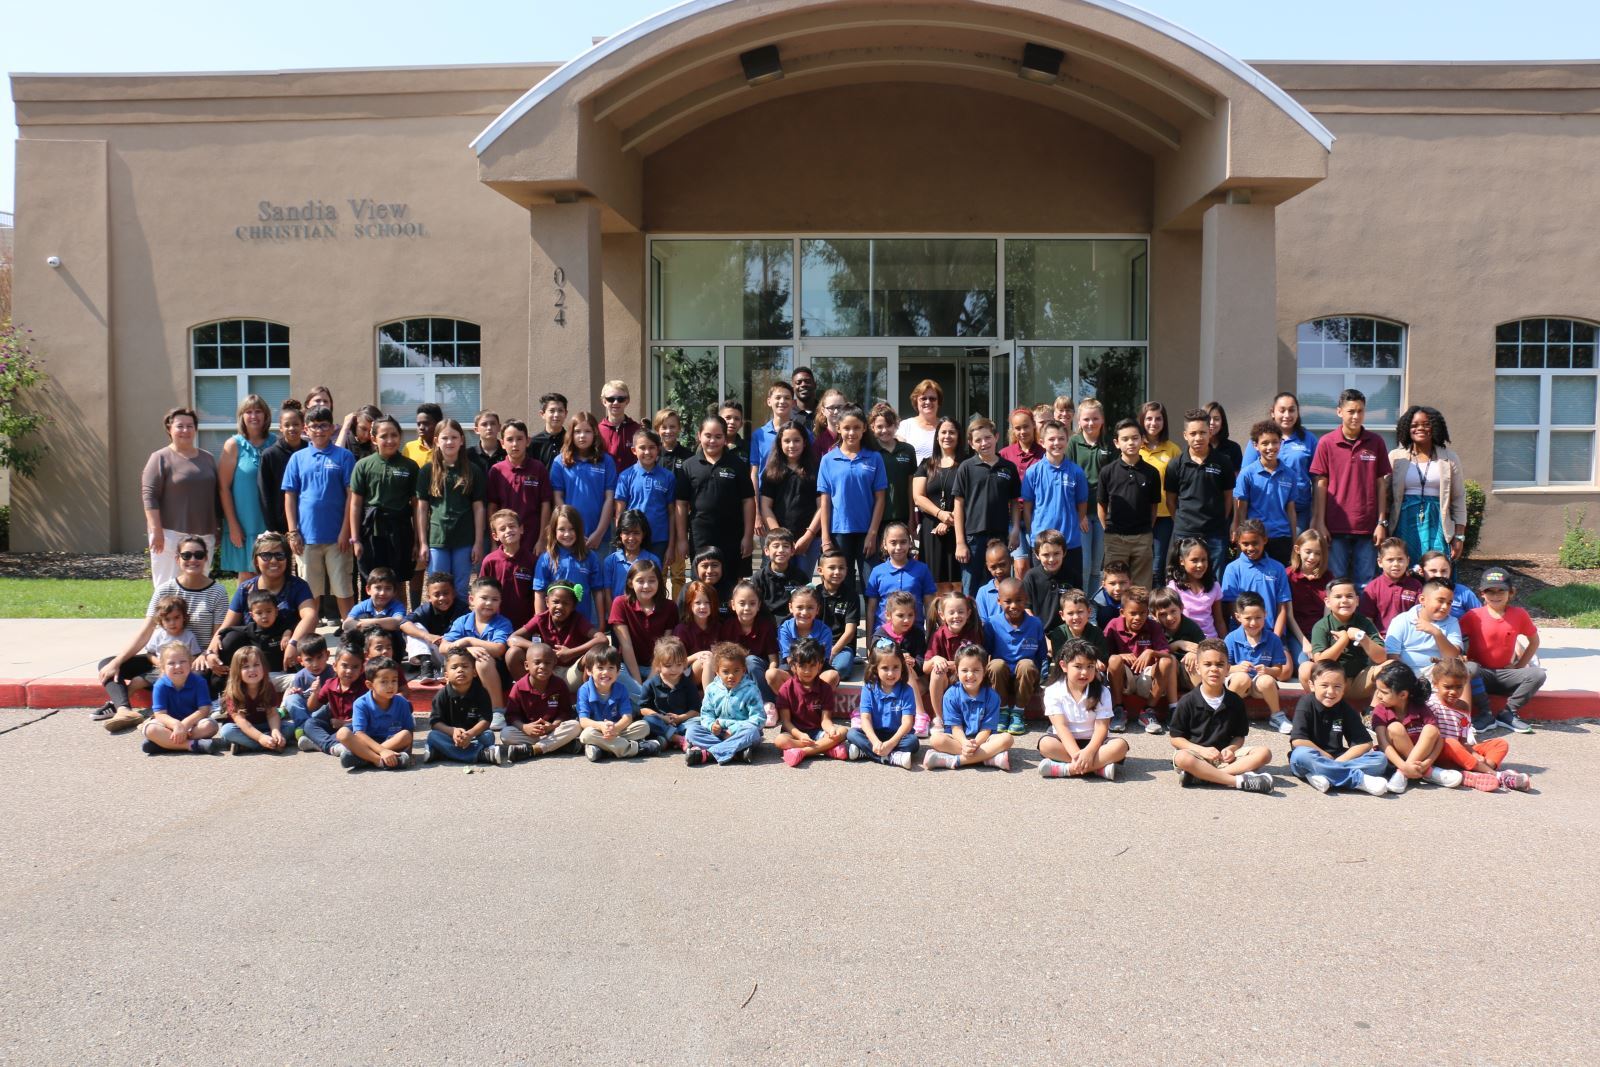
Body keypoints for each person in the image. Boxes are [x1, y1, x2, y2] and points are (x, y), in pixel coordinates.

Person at [97, 539, 231, 731]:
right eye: (186, 555)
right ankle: (124, 710)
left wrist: (205, 654)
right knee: (107, 664)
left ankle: (167, 708)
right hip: (161, 659)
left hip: (194, 660)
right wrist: (117, 662)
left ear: (206, 558)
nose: (193, 559)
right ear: (177, 559)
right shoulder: (165, 589)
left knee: (197, 673)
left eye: (198, 555)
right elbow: (146, 631)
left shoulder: (217, 592)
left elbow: (218, 633)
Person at [1310, 388, 1393, 588]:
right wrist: (1320, 522)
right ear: (1339, 412)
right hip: (1334, 526)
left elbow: (1381, 484)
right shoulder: (1326, 443)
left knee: (1364, 583)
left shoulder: (1376, 442)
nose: (1356, 416)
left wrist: (1382, 522)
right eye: (1351, 411)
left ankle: (1362, 620)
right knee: (1335, 582)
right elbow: (1321, 483)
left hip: (1367, 527)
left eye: (1360, 411)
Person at [1167, 639, 1275, 792]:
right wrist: (1201, 750)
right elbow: (1176, 739)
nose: (1214, 669)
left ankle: (1205, 777)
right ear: (1197, 667)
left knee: (1264, 753)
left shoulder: (1235, 701)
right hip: (1197, 756)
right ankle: (1238, 781)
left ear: (1228, 669)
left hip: (1226, 759)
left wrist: (1231, 749)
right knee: (1181, 758)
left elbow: (1239, 736)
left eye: (1219, 664)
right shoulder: (1188, 701)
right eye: (1207, 664)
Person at [282, 405, 358, 618]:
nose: (319, 431)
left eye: (324, 425)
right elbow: (289, 496)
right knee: (309, 592)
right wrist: (292, 532)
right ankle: (309, 637)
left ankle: (350, 632)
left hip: (337, 538)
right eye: (314, 426)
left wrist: (346, 531)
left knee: (343, 589)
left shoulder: (344, 457)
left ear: (332, 427)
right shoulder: (298, 458)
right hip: (307, 538)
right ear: (306, 429)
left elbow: (351, 497)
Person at [208, 532, 319, 673]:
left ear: (287, 559)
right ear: (256, 561)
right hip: (253, 654)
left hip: (285, 649)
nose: (273, 561)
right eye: (266, 556)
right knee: (228, 640)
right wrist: (210, 653)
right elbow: (226, 626)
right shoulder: (246, 589)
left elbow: (311, 616)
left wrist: (293, 643)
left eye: (279, 555)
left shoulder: (298, 586)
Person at [674, 414, 756, 599]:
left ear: (725, 438)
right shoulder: (688, 466)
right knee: (702, 584)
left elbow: (748, 501)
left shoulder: (737, 464)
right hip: (700, 536)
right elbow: (681, 504)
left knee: (731, 584)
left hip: (732, 536)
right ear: (699, 435)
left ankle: (728, 624)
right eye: (708, 435)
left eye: (718, 436)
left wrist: (748, 536)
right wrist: (682, 539)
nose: (712, 440)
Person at [1460, 566, 1545, 735]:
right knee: (1469, 668)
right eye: (1490, 591)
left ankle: (1507, 713)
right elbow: (1456, 638)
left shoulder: (1519, 614)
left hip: (1506, 675)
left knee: (1538, 674)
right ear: (1482, 593)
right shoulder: (1473, 615)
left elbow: (1534, 641)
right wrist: (1461, 655)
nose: (1496, 595)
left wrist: (1519, 665)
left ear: (1511, 593)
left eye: (1501, 591)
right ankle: (1486, 714)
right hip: (1480, 675)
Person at [1427, 657, 1533, 792]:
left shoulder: (1463, 708)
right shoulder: (1431, 704)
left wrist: (1474, 754)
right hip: (1440, 754)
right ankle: (1498, 776)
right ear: (1435, 684)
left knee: (1500, 744)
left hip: (1460, 750)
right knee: (1450, 743)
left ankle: (1474, 771)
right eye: (1447, 687)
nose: (1453, 692)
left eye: (1459, 687)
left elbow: (1463, 740)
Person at [141, 406, 219, 587]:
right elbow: (149, 496)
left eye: (190, 426)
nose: (185, 430)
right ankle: (163, 617)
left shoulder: (207, 458)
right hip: (169, 536)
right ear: (169, 429)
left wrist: (217, 529)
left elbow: (215, 496)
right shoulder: (159, 458)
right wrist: (156, 531)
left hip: (204, 535)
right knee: (166, 588)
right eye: (180, 426)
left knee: (199, 585)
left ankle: (195, 617)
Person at [95, 594, 199, 728]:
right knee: (136, 682)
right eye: (167, 619)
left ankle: (158, 714)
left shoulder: (188, 636)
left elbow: (195, 656)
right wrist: (160, 664)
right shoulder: (159, 635)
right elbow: (150, 654)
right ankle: (121, 708)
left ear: (184, 617)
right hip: (159, 668)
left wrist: (182, 668)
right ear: (161, 620)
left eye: (176, 618)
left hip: (179, 671)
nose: (172, 623)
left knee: (161, 684)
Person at [1288, 661, 1392, 796]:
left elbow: (1364, 743)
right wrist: (1325, 756)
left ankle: (1322, 775)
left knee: (1380, 759)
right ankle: (1358, 780)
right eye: (1324, 685)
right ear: (1312, 685)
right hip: (1312, 757)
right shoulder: (1306, 702)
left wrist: (1339, 761)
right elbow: (1298, 740)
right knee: (1300, 755)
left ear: (1344, 688)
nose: (1331, 692)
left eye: (1337, 686)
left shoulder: (1344, 707)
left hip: (1337, 758)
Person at [818, 404, 888, 596]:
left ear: (865, 428)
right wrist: (825, 538)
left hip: (867, 532)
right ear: (838, 428)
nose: (851, 432)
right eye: (847, 428)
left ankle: (874, 626)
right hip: (839, 532)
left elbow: (880, 498)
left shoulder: (874, 458)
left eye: (856, 427)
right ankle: (847, 626)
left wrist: (873, 534)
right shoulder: (828, 460)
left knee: (872, 583)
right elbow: (825, 501)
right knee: (842, 585)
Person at [413, 418, 485, 601]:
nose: (450, 442)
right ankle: (438, 627)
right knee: (438, 589)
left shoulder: (473, 470)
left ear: (461, 440)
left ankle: (459, 627)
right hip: (437, 539)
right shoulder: (428, 471)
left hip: (464, 539)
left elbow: (478, 508)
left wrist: (477, 542)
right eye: (445, 438)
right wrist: (422, 542)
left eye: (454, 437)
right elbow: (421, 509)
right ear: (437, 441)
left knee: (461, 589)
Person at [347, 416, 420, 595]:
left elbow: (417, 506)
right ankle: (370, 621)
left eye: (394, 435)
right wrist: (355, 539)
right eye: (384, 436)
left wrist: (418, 541)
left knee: (398, 580)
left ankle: (397, 620)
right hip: (371, 531)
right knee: (371, 579)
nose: (389, 440)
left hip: (400, 531)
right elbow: (355, 505)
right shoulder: (363, 465)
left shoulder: (409, 466)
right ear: (374, 439)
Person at [1389, 405, 1468, 566]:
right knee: (1404, 567)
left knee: (1437, 568)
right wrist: (1382, 524)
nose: (1420, 428)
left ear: (1435, 427)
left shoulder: (1450, 458)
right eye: (1414, 425)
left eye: (1426, 424)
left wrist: (1459, 536)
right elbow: (1384, 496)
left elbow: (1458, 498)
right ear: (1407, 428)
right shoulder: (1396, 457)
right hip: (1403, 522)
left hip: (1438, 522)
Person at [1038, 638, 1127, 780]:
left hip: (1094, 743)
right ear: (1064, 666)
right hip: (1064, 742)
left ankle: (1066, 769)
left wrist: (1089, 752)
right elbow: (1061, 727)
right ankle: (1097, 769)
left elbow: (1102, 728)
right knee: (1045, 744)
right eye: (1078, 667)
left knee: (1120, 746)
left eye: (1090, 666)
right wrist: (1076, 754)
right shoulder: (1053, 691)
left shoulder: (1103, 692)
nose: (1084, 672)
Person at [952, 416, 1022, 597]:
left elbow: (1014, 502)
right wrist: (960, 542)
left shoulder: (1008, 468)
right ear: (971, 444)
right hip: (973, 538)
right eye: (978, 440)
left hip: (1000, 536)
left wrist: (1014, 530)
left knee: (1002, 585)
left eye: (987, 437)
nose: (984, 443)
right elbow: (958, 505)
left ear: (996, 437)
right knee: (971, 588)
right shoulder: (966, 468)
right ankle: (972, 624)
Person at [1370, 661, 1462, 793]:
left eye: (1383, 692)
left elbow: (1438, 739)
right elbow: (1383, 744)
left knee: (1431, 729)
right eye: (1377, 690)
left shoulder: (1419, 707)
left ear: (1403, 695)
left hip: (1422, 762)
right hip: (1395, 761)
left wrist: (1427, 763)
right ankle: (1428, 773)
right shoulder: (1380, 710)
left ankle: (1403, 774)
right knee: (1395, 727)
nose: (1378, 696)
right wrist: (1403, 765)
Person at [1165, 407, 1235, 574]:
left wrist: (1219, 522)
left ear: (1210, 433)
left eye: (1203, 432)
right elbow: (1170, 501)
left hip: (1215, 534)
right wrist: (1183, 522)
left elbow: (1228, 498)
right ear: (1185, 435)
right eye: (1193, 433)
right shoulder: (1175, 465)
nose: (1198, 438)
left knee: (1215, 582)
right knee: (1183, 581)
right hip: (1184, 533)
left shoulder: (1223, 462)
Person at [923, 644, 1014, 770]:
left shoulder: (992, 696)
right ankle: (988, 758)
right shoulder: (951, 694)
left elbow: (986, 730)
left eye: (976, 670)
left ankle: (956, 760)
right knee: (936, 740)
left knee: (1007, 739)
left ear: (984, 670)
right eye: (964, 670)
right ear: (957, 670)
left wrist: (974, 744)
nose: (970, 675)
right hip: (958, 739)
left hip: (983, 740)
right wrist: (965, 743)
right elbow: (955, 728)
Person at [1021, 419, 1090, 586]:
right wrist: (1034, 534)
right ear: (1042, 442)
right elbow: (1027, 508)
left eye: (1061, 438)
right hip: (1042, 545)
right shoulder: (1033, 472)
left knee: (1072, 592)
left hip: (1070, 543)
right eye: (1051, 439)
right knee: (1042, 590)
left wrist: (1072, 526)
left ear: (1067, 440)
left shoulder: (1076, 472)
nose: (1056, 443)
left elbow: (1081, 506)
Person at [1242, 392, 1318, 541]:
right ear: (1273, 412)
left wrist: (1316, 515)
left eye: (1291, 410)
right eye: (1282, 410)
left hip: (1299, 510)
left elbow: (1317, 479)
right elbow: (1245, 476)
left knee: (1294, 555)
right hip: (1264, 511)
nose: (1287, 415)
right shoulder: (1260, 439)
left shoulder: (1309, 439)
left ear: (1297, 412)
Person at [217, 394, 278, 579]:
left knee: (271, 573)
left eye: (258, 411)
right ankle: (243, 609)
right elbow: (223, 488)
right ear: (241, 416)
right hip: (243, 522)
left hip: (268, 521)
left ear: (266, 415)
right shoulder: (233, 445)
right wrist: (233, 524)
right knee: (247, 573)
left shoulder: (275, 443)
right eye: (248, 412)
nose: (254, 416)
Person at [1104, 584, 1178, 735]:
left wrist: (1151, 652)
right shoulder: (1113, 625)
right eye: (1133, 613)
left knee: (1167, 661)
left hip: (1147, 678)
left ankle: (1148, 711)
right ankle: (1119, 709)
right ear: (1122, 612)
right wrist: (1120, 656)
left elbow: (1166, 652)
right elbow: (1102, 654)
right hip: (1124, 679)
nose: (1138, 618)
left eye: (1143, 613)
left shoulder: (1153, 626)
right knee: (1114, 660)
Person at [439, 576, 513, 726]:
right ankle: (452, 709)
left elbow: (498, 649)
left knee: (482, 660)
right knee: (455, 663)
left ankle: (497, 711)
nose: (489, 603)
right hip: (467, 673)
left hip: (495, 674)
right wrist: (468, 649)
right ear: (471, 599)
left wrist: (470, 641)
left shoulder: (502, 622)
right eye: (484, 598)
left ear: (500, 602)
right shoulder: (463, 621)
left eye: (495, 599)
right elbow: (443, 648)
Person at [1303, 577, 1389, 704]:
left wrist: (1363, 639)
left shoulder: (1364, 623)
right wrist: (1343, 640)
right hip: (1331, 683)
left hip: (1358, 681)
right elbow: (1320, 661)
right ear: (1327, 602)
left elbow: (1381, 658)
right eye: (1338, 597)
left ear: (1357, 600)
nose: (1344, 600)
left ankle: (1373, 713)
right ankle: (1320, 707)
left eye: (1349, 596)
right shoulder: (1321, 626)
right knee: (1305, 668)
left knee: (1389, 666)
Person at [1098, 418, 1162, 588]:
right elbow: (1102, 505)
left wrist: (1146, 530)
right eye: (1125, 439)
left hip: (1142, 538)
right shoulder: (1107, 472)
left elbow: (1154, 507)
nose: (1130, 443)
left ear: (1142, 440)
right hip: (1115, 538)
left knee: (1141, 587)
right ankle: (1114, 615)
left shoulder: (1151, 473)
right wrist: (1109, 531)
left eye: (1135, 438)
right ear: (1116, 443)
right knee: (1114, 585)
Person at [511, 581, 607, 691]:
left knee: (594, 653)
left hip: (573, 672)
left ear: (573, 606)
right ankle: (531, 693)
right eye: (555, 602)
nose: (560, 607)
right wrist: (542, 649)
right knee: (513, 653)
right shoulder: (540, 619)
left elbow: (602, 639)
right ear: (547, 602)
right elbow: (513, 638)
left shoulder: (578, 620)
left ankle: (585, 697)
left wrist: (571, 653)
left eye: (565, 603)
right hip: (546, 673)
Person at [1232, 420, 1302, 566]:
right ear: (1255, 445)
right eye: (1265, 443)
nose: (1270, 447)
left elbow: (1291, 510)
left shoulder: (1290, 475)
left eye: (1275, 442)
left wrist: (1295, 539)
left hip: (1282, 536)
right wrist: (1240, 536)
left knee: (1281, 578)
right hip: (1255, 538)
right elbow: (1241, 509)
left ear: (1280, 443)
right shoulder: (1247, 474)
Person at [609, 559, 679, 706]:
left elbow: (664, 648)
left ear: (659, 582)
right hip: (628, 668)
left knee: (677, 671)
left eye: (652, 581)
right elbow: (626, 645)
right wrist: (639, 682)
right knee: (613, 669)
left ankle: (638, 706)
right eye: (640, 581)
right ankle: (651, 704)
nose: (646, 586)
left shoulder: (670, 606)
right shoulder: (620, 603)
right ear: (630, 583)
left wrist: (651, 679)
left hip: (658, 667)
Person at [684, 642, 765, 766]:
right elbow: (706, 714)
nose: (731, 676)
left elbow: (758, 719)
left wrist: (733, 730)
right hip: (718, 733)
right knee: (691, 731)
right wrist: (711, 726)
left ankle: (709, 754)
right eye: (726, 672)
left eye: (736, 671)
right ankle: (737, 752)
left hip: (739, 732)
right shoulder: (712, 689)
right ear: (717, 672)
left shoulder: (751, 690)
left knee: (752, 732)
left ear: (743, 670)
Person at [983, 577, 1046, 736]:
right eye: (1008, 601)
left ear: (1026, 600)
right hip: (1001, 678)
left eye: (1019, 600)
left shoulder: (1035, 623)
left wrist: (1039, 678)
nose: (1013, 606)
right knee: (996, 664)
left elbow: (1041, 656)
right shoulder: (992, 623)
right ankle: (1002, 710)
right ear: (999, 601)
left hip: (1025, 678)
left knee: (1027, 664)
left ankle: (1018, 712)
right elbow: (986, 653)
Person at [575, 645, 662, 761]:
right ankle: (638, 748)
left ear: (617, 671)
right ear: (589, 671)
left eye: (611, 668)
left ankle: (602, 749)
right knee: (586, 735)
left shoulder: (621, 689)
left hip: (618, 730)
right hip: (596, 729)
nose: (605, 672)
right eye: (600, 668)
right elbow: (584, 721)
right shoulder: (584, 690)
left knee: (644, 726)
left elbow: (627, 717)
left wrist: (615, 728)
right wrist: (601, 726)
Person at [773, 637, 850, 767]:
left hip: (817, 732)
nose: (807, 671)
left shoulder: (824, 688)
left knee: (843, 731)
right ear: (793, 666)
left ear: (820, 665)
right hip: (795, 733)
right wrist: (800, 735)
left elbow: (825, 720)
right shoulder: (786, 688)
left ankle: (803, 752)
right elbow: (786, 722)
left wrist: (831, 729)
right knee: (780, 741)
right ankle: (826, 749)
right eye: (802, 666)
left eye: (812, 665)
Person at [419, 647, 503, 765]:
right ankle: (481, 754)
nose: (460, 670)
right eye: (454, 667)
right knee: (433, 736)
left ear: (474, 672)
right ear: (446, 675)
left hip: (474, 735)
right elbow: (435, 722)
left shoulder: (481, 692)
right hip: (450, 736)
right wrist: (452, 731)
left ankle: (442, 753)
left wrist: (470, 734)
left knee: (488, 736)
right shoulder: (442, 695)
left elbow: (486, 720)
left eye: (465, 666)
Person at [1224, 591, 1294, 734]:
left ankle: (1276, 715)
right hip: (1238, 683)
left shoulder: (1273, 639)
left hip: (1259, 686)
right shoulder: (1231, 638)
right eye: (1248, 618)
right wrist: (1237, 668)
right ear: (1238, 617)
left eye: (1258, 617)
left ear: (1265, 615)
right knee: (1241, 678)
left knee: (1267, 680)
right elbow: (1224, 668)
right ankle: (1226, 714)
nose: (1253, 623)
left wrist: (1268, 671)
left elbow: (1278, 670)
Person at [911, 417, 966, 592]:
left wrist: (950, 520)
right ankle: (940, 619)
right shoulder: (926, 464)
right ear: (937, 436)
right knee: (937, 583)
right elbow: (918, 497)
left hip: (960, 529)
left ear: (959, 436)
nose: (947, 436)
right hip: (932, 529)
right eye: (943, 432)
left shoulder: (967, 464)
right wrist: (940, 515)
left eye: (952, 432)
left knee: (959, 582)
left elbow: (972, 498)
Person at [759, 424, 822, 578]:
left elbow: (822, 506)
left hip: (808, 541)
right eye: (787, 441)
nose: (791, 445)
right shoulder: (771, 471)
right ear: (780, 443)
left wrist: (808, 536)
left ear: (805, 442)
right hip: (779, 541)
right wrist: (780, 537)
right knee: (777, 583)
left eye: (796, 440)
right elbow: (766, 506)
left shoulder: (816, 468)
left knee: (802, 586)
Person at [551, 411, 619, 552]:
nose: (582, 436)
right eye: (577, 432)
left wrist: (599, 533)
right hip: (569, 537)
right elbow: (557, 498)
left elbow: (609, 499)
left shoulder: (606, 461)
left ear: (595, 434)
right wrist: (573, 532)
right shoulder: (560, 461)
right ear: (571, 434)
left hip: (600, 538)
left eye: (587, 431)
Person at [139, 644, 225, 755]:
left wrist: (184, 725)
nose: (178, 666)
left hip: (193, 726)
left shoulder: (199, 682)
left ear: (190, 663)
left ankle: (163, 745)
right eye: (171, 663)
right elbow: (160, 714)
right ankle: (191, 745)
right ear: (163, 667)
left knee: (211, 726)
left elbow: (204, 709)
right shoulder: (160, 685)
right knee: (150, 729)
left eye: (182, 661)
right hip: (169, 727)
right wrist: (176, 725)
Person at [501, 643, 582, 760]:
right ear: (526, 665)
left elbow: (565, 713)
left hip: (552, 731)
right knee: (506, 734)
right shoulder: (519, 687)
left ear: (554, 664)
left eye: (547, 663)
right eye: (537, 662)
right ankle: (558, 746)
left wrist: (553, 726)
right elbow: (511, 716)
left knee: (575, 726)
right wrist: (525, 727)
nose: (543, 666)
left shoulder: (559, 685)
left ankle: (535, 749)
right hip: (530, 733)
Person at [486, 419, 553, 558]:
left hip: (533, 539)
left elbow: (545, 504)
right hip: (505, 539)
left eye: (519, 439)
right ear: (502, 443)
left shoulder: (538, 468)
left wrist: (542, 539)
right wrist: (494, 543)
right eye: (510, 439)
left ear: (527, 441)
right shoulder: (496, 471)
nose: (515, 444)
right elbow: (492, 507)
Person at [1068, 398, 1116, 591]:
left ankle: (1093, 607)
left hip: (1103, 512)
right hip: (1083, 514)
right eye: (1086, 419)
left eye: (1095, 418)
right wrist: (1078, 515)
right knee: (1085, 565)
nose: (1090, 423)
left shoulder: (1109, 443)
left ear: (1102, 420)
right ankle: (1082, 604)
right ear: (1079, 421)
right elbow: (1069, 478)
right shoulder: (1073, 442)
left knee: (1098, 566)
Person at [848, 644, 920, 768]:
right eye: (885, 668)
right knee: (852, 734)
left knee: (913, 742)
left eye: (896, 667)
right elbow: (865, 719)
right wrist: (875, 741)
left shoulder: (906, 690)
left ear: (902, 667)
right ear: (876, 669)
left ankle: (865, 752)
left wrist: (890, 744)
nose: (891, 673)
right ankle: (890, 757)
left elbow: (907, 723)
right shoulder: (868, 689)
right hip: (874, 733)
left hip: (897, 735)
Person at [533, 505, 605, 628]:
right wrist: (541, 625)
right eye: (561, 529)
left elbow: (597, 592)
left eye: (572, 529)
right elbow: (539, 593)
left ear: (579, 529)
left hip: (583, 625)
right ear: (553, 531)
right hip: (555, 626)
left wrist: (601, 623)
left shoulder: (590, 557)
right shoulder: (546, 558)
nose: (567, 534)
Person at [1221, 520, 1292, 642]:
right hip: (1242, 636)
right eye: (1245, 544)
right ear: (1238, 542)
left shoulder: (1278, 568)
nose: (1250, 548)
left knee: (1286, 662)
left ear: (1264, 540)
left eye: (1255, 543)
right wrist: (1250, 634)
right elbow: (1231, 606)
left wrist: (1275, 639)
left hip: (1273, 633)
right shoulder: (1232, 569)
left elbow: (1282, 607)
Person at [340, 657, 414, 771]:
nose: (390, 686)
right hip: (367, 743)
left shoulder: (402, 703)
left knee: (405, 735)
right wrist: (382, 751)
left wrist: (409, 754)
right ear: (370, 685)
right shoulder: (361, 704)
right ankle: (379, 760)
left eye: (394, 680)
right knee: (343, 733)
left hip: (392, 743)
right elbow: (359, 733)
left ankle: (364, 758)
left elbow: (409, 730)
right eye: (384, 681)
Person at [722, 580, 780, 724]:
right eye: (742, 603)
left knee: (750, 660)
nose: (747, 608)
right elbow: (723, 657)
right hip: (736, 674)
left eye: (752, 603)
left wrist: (769, 675)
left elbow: (773, 659)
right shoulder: (728, 626)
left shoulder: (766, 627)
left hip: (758, 673)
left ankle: (768, 704)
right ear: (733, 605)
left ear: (759, 605)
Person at [868, 403, 922, 558]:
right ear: (872, 427)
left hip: (902, 514)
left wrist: (912, 518)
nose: (884, 430)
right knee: (879, 559)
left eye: (889, 425)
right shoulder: (870, 451)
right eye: (879, 426)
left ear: (897, 425)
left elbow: (910, 486)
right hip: (877, 517)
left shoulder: (907, 450)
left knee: (901, 558)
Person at [614, 429, 675, 562]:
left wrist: (671, 546)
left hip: (659, 540)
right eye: (642, 448)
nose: (647, 452)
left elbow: (672, 514)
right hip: (633, 540)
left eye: (652, 447)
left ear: (658, 449)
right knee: (633, 578)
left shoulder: (668, 477)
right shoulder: (625, 476)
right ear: (634, 450)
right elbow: (619, 513)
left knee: (656, 578)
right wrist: (621, 541)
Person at [925, 591, 982, 730]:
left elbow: (980, 663)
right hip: (947, 682)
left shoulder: (973, 633)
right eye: (951, 612)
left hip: (967, 679)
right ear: (942, 615)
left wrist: (952, 665)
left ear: (968, 613)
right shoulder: (938, 635)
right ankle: (939, 718)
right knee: (936, 672)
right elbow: (925, 667)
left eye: (960, 612)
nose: (956, 616)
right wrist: (935, 659)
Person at [214, 646, 287, 755]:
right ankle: (267, 745)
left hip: (264, 724)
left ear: (264, 667)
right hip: (242, 728)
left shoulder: (268, 686)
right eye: (246, 667)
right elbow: (242, 722)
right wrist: (260, 737)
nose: (252, 670)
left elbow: (272, 714)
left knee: (289, 727)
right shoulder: (233, 692)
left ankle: (248, 745)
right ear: (237, 671)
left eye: (256, 665)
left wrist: (275, 730)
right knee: (227, 731)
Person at [864, 521, 936, 631]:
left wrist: (930, 637)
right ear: (884, 544)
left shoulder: (922, 569)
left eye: (903, 542)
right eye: (893, 542)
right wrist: (869, 639)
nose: (898, 547)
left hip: (914, 634)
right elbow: (871, 609)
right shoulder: (877, 571)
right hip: (884, 635)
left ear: (910, 543)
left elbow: (929, 606)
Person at [1384, 578, 1465, 674]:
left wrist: (1436, 633)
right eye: (1440, 601)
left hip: (1440, 675)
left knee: (1464, 669)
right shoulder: (1402, 620)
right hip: (1406, 674)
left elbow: (1453, 656)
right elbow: (1392, 657)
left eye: (1449, 603)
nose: (1445, 607)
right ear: (1422, 600)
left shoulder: (1452, 622)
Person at [1138, 402, 1183, 575]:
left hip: (1164, 516)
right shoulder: (1135, 447)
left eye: (1158, 418)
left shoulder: (1173, 450)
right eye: (1148, 418)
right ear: (1142, 421)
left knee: (1157, 566)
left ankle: (1156, 601)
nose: (1153, 423)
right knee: (1139, 563)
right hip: (1139, 515)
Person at [1000, 407, 1046, 578]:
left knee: (1039, 562)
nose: (1022, 431)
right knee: (1021, 566)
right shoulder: (1005, 453)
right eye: (1017, 428)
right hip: (1014, 516)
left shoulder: (1043, 453)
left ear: (1034, 426)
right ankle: (1023, 601)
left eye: (1026, 426)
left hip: (1037, 516)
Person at [296, 644, 365, 756]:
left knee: (352, 730)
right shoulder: (330, 684)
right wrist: (315, 692)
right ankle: (333, 746)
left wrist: (344, 723)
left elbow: (368, 717)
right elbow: (311, 708)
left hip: (353, 727)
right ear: (335, 666)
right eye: (344, 666)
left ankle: (319, 744)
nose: (349, 671)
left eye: (355, 667)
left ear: (362, 669)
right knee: (309, 723)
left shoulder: (364, 688)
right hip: (334, 727)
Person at [639, 636, 703, 753]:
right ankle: (677, 739)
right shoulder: (650, 684)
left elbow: (695, 710)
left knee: (698, 722)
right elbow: (643, 709)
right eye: (668, 666)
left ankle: (667, 740)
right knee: (648, 720)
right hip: (661, 722)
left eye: (678, 665)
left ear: (684, 663)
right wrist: (662, 717)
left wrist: (680, 718)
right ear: (658, 665)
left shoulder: (688, 684)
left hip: (683, 723)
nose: (674, 669)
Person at [399, 572, 468, 678]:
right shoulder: (426, 609)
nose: (442, 598)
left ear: (453, 593)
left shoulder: (463, 610)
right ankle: (426, 665)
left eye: (446, 593)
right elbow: (404, 624)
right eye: (437, 595)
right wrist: (428, 636)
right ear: (429, 597)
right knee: (414, 626)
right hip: (433, 653)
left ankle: (445, 668)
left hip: (454, 654)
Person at [748, 379, 808, 503]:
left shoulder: (805, 434)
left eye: (787, 398)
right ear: (769, 401)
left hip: (795, 500)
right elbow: (754, 473)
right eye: (778, 397)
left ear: (793, 403)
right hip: (765, 500)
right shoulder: (759, 435)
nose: (782, 401)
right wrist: (757, 511)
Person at [479, 510, 537, 632]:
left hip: (525, 625)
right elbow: (481, 593)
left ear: (521, 529)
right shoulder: (490, 561)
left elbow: (538, 594)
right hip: (495, 625)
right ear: (495, 536)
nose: (508, 531)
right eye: (502, 529)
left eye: (512, 526)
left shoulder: (533, 561)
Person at [772, 585, 838, 690]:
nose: (804, 612)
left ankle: (814, 702)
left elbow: (821, 662)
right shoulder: (785, 629)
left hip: (816, 671)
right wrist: (800, 684)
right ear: (790, 607)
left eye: (810, 608)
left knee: (832, 676)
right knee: (772, 674)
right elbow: (789, 659)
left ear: (817, 609)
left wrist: (809, 679)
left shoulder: (825, 631)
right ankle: (791, 700)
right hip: (792, 670)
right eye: (799, 607)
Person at [257, 400, 306, 538]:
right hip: (280, 525)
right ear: (280, 428)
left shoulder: (310, 451)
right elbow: (264, 493)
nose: (292, 428)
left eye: (296, 424)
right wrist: (272, 527)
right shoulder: (270, 455)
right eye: (287, 425)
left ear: (303, 426)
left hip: (307, 521)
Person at [1285, 528, 1333, 665]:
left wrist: (1321, 640)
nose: (1312, 557)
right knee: (1306, 663)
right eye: (1308, 552)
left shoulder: (1327, 577)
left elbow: (1327, 614)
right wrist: (1305, 643)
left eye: (1317, 553)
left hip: (1320, 632)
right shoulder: (1287, 576)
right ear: (1297, 549)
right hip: (1297, 633)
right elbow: (1289, 616)